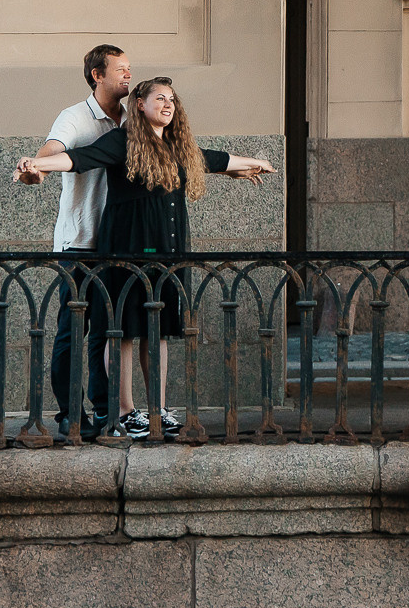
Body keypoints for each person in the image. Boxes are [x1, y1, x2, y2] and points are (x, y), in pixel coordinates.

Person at [16, 76, 273, 440]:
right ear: (140, 104)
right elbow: (78, 159)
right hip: (127, 251)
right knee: (121, 332)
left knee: (160, 332)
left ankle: (158, 410)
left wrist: (254, 163)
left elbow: (215, 159)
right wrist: (38, 165)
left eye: (172, 99)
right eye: (159, 98)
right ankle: (125, 412)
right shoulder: (122, 140)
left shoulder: (178, 146)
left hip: (169, 256)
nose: (168, 105)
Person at [21, 44, 130, 440]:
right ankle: (71, 413)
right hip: (79, 244)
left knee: (108, 332)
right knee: (73, 331)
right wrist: (37, 167)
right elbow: (54, 149)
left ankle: (105, 413)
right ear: (97, 74)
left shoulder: (133, 119)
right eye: (120, 69)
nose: (128, 76)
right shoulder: (75, 116)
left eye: (129, 69)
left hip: (118, 244)